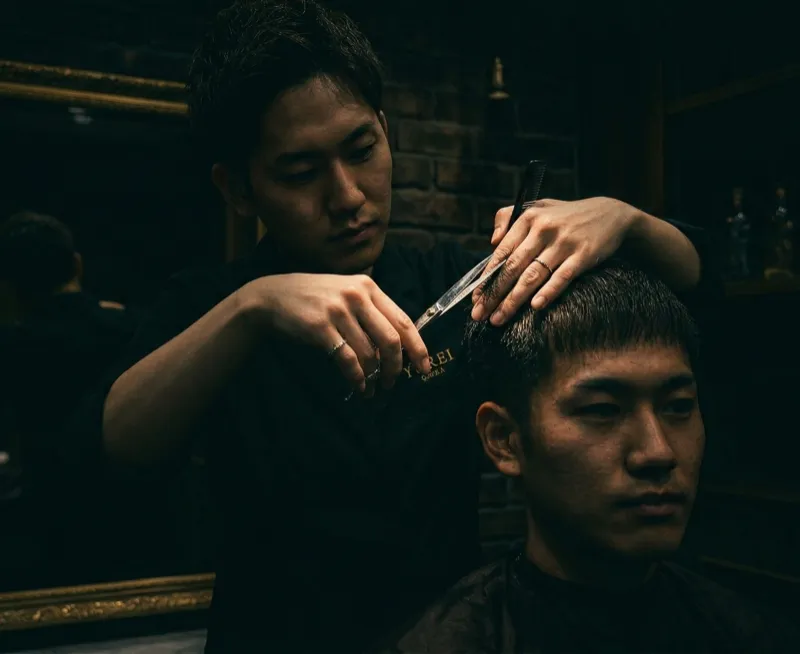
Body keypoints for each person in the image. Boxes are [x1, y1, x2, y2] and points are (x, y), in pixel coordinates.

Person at [91, 1, 711, 651]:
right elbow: (112, 449)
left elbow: (702, 282)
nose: (347, 196)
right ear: (239, 190)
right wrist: (253, 308)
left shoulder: (457, 284)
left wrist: (625, 219)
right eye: (300, 172)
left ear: (386, 129)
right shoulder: (214, 305)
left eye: (362, 150)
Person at [390, 262, 794, 653]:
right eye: (602, 410)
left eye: (678, 406)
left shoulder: (755, 636)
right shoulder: (445, 643)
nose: (658, 452)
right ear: (505, 440)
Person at [0, 211, 138, 588]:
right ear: (76, 264)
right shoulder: (132, 330)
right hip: (138, 517)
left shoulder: (12, 347)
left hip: (45, 521)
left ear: (9, 285)